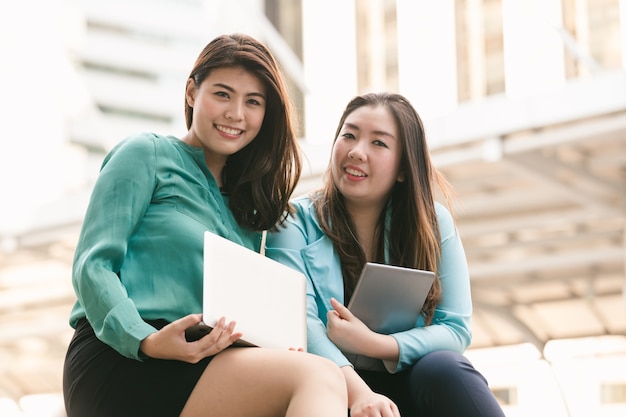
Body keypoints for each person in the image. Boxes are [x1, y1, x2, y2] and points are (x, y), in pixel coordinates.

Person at [62, 33, 347, 417]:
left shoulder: (249, 212)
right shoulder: (145, 154)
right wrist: (146, 339)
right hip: (123, 358)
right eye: (223, 94)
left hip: (205, 360)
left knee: (311, 379)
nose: (236, 114)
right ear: (192, 92)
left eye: (253, 102)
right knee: (319, 377)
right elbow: (91, 266)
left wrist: (273, 346)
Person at [265, 92, 506, 417]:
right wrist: (362, 395)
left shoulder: (433, 224)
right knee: (316, 380)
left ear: (404, 168)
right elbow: (300, 321)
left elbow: (455, 329)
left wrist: (373, 344)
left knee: (447, 368)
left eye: (378, 143)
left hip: (407, 379)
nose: (356, 151)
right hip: (327, 385)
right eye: (348, 135)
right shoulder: (293, 220)